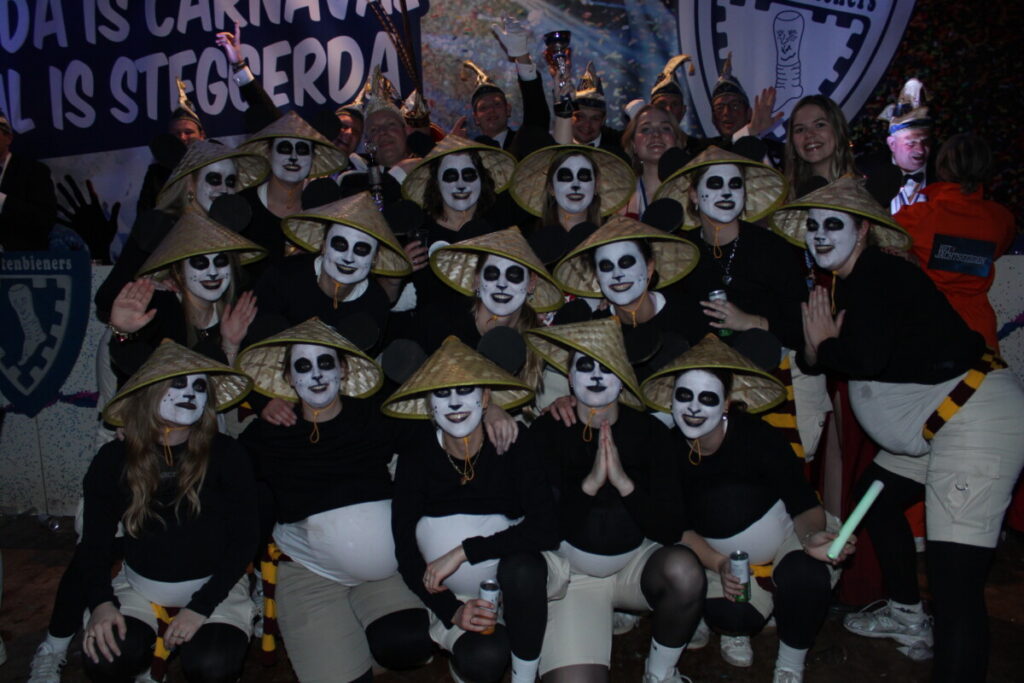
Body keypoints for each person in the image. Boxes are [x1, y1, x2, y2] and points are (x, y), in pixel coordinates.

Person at [774, 176, 1024, 683]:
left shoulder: (879, 274)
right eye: (813, 226)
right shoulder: (848, 282)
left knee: (954, 587)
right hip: (933, 427)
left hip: (972, 419)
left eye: (834, 224)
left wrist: (824, 347)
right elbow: (822, 354)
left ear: (863, 230)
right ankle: (908, 616)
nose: (820, 235)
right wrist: (819, 348)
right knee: (877, 500)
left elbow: (862, 357)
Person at [642, 334, 853, 682]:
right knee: (732, 616)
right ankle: (733, 617)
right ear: (672, 399)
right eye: (684, 396)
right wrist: (719, 564)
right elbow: (676, 527)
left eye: (707, 398)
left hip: (786, 542)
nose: (693, 408)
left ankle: (790, 664)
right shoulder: (666, 448)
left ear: (726, 404)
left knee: (807, 575)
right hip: (718, 562)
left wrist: (813, 537)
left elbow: (803, 503)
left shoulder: (759, 436)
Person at [237, 319, 433, 682]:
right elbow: (221, 472)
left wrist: (492, 409)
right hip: (310, 576)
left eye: (326, 363)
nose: (315, 375)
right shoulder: (267, 433)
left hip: (384, 574)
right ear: (289, 378)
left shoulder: (374, 416)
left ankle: (355, 641)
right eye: (302, 366)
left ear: (343, 370)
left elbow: (437, 432)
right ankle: (341, 646)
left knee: (409, 643)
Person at [524, 318, 706, 683]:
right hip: (573, 578)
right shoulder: (546, 432)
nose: (595, 376)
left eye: (606, 367)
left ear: (622, 377)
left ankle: (661, 673)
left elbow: (671, 528)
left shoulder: (651, 432)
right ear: (570, 377)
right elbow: (545, 530)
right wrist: (590, 485)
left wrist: (625, 485)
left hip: (634, 565)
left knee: (685, 571)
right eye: (585, 366)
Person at [79, 341, 257, 683]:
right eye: (177, 383)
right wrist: (101, 603)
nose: (190, 393)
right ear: (149, 393)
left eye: (200, 386)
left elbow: (245, 538)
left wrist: (200, 607)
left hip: (216, 589)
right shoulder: (113, 459)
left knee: (212, 665)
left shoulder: (227, 454)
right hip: (139, 590)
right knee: (104, 657)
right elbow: (94, 543)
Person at [384, 336, 558, 683]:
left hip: (515, 587)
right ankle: (464, 652)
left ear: (486, 398)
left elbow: (547, 526)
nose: (454, 403)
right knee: (484, 659)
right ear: (428, 405)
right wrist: (452, 611)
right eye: (442, 393)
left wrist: (464, 552)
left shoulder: (514, 443)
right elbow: (404, 547)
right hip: (450, 594)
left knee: (525, 569)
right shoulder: (416, 455)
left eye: (465, 390)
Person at [251, 191, 411, 425]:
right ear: (323, 246)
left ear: (375, 259)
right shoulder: (283, 277)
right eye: (340, 244)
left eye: (361, 249)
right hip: (275, 390)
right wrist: (263, 400)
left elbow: (357, 371)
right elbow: (254, 342)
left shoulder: (374, 303)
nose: (348, 258)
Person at [655, 146, 799, 349]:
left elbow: (799, 327)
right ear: (694, 195)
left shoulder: (773, 248)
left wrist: (750, 322)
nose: (726, 193)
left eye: (735, 184)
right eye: (715, 184)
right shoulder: (681, 253)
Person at [894, 133, 1015, 351]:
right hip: (980, 333)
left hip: (929, 329)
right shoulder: (1001, 219)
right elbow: (995, 251)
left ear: (941, 168)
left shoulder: (915, 217)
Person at [552, 215, 698, 380]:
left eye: (626, 262)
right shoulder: (597, 330)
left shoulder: (688, 314)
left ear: (649, 268)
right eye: (606, 266)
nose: (617, 274)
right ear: (597, 277)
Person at [399, 135, 517, 309]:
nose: (460, 184)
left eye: (468, 175)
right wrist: (399, 273)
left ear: (481, 179)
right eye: (451, 176)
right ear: (437, 183)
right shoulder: (421, 233)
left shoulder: (498, 231)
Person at [238, 111, 348, 268]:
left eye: (302, 150)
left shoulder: (323, 210)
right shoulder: (242, 206)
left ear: (313, 157)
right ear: (269, 153)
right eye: (284, 148)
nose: (293, 157)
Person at [509, 144, 634, 264]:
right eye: (565, 177)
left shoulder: (612, 237)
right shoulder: (528, 237)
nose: (575, 185)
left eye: (583, 176)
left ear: (596, 186)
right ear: (551, 188)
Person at [860, 78, 935, 213]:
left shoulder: (945, 174)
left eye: (925, 142)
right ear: (892, 144)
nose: (920, 150)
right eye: (911, 143)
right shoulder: (866, 173)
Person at [620, 105, 696, 217]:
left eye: (665, 128)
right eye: (646, 129)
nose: (656, 134)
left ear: (677, 140)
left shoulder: (696, 193)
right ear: (633, 145)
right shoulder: (620, 198)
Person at [0, 109, 57, 251]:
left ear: (8, 138)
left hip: (22, 259)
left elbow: (44, 220)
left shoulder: (33, 171)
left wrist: (2, 201)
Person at [782, 96, 857, 198]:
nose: (809, 134)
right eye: (800, 129)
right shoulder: (786, 197)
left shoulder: (868, 185)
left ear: (838, 130)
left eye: (819, 125)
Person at [565, 63, 627, 160]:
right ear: (569, 116)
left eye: (595, 119)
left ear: (603, 120)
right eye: (580, 117)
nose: (587, 125)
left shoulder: (620, 147)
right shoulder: (555, 143)